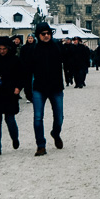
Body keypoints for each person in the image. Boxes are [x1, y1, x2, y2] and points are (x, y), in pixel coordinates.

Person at [26, 22, 65, 156]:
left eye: (48, 33)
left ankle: (55, 133)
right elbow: (27, 71)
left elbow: (67, 60)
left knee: (59, 117)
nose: (47, 36)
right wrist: (27, 90)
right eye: (43, 34)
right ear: (38, 35)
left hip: (56, 87)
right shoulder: (33, 50)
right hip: (39, 88)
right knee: (38, 118)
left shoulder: (57, 47)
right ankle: (40, 145)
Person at [0, 36, 23, 157]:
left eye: (4, 49)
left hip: (9, 92)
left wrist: (18, 87)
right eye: (0, 48)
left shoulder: (15, 59)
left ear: (8, 48)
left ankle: (14, 137)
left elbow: (21, 75)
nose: (2, 51)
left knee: (10, 119)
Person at [19, 33, 36, 103]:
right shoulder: (24, 47)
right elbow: (21, 57)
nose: (30, 40)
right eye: (29, 38)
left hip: (35, 67)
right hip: (26, 67)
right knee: (27, 83)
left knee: (35, 82)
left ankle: (35, 95)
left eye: (31, 38)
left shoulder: (36, 47)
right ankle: (29, 96)